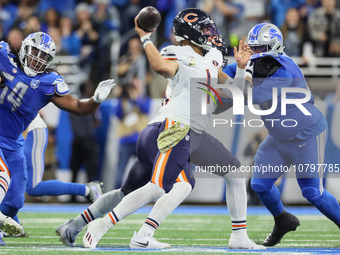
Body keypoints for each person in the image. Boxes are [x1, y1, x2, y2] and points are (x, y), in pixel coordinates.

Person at [56, 8, 264, 250]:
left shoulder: (211, 59)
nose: (211, 35)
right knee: (163, 187)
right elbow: (159, 66)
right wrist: (145, 38)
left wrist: (242, 68)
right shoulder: (179, 53)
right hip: (174, 129)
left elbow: (238, 95)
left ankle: (76, 224)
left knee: (232, 174)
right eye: (205, 30)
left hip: (190, 133)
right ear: (190, 33)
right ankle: (111, 228)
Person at [224, 23, 340, 246]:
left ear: (273, 46)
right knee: (260, 185)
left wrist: (241, 71)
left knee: (312, 192)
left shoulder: (285, 70)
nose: (255, 53)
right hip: (278, 137)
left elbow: (248, 95)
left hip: (306, 135)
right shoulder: (256, 62)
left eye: (260, 48)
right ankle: (282, 220)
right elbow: (223, 77)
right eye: (253, 47)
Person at [0, 31, 115, 244]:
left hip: (14, 141)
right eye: (35, 51)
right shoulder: (4, 55)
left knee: (16, 199)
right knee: (2, 177)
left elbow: (79, 108)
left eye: (44, 56)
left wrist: (96, 99)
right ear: (24, 48)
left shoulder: (48, 83)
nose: (37, 58)